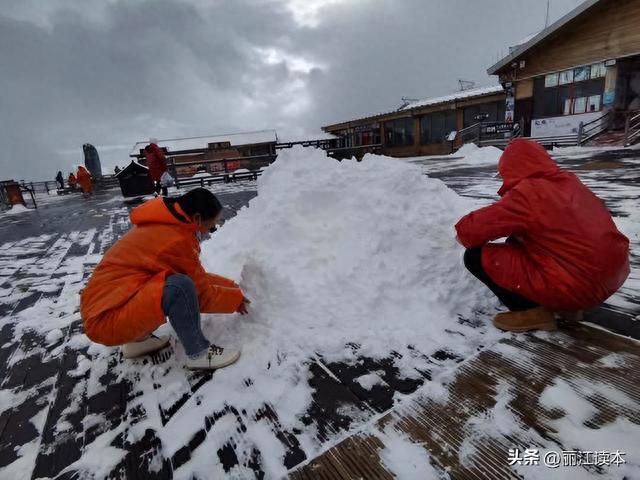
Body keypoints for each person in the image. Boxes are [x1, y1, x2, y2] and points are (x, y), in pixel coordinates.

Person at [455, 139, 629, 332]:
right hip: (610, 276)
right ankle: (567, 307)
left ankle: (531, 312)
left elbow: (472, 231)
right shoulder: (570, 182)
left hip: (577, 284)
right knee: (520, 241)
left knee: (474, 257)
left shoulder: (529, 193)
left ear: (510, 167)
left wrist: (459, 234)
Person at [80, 188, 248, 370]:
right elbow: (199, 295)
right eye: (211, 226)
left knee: (171, 283)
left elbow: (198, 279)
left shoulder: (166, 224)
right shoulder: (175, 240)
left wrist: (232, 287)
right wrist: (236, 299)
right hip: (106, 321)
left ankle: (137, 341)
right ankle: (199, 353)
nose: (210, 231)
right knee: (179, 286)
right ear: (197, 218)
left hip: (108, 309)